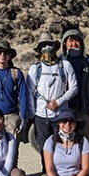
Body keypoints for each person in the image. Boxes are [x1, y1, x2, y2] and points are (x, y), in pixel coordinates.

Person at [26, 33, 78, 167]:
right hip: (41, 116)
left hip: (61, 115)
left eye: (50, 44)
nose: (47, 48)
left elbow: (74, 88)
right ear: (39, 49)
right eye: (43, 45)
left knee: (62, 147)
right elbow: (29, 92)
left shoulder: (65, 65)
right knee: (44, 148)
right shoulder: (35, 69)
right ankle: (47, 175)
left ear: (55, 47)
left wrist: (58, 102)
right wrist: (33, 114)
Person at [60, 29, 89, 140]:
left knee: (84, 139)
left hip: (83, 107)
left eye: (77, 40)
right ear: (65, 43)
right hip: (64, 107)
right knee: (64, 139)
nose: (74, 44)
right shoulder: (60, 61)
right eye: (70, 40)